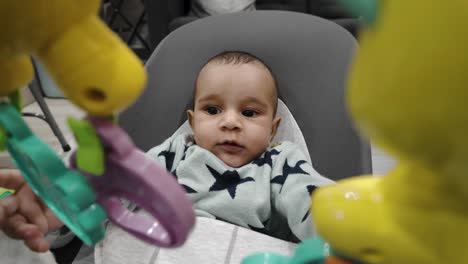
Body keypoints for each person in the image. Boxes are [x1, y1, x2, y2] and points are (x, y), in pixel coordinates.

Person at [0, 51, 333, 258]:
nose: (230, 122)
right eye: (213, 109)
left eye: (249, 113)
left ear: (274, 129)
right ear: (192, 121)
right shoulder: (175, 154)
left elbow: (312, 202)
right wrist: (54, 206)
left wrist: (345, 234)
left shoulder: (280, 163)